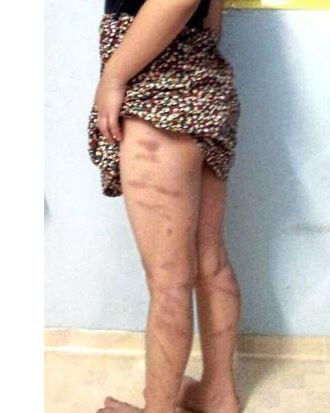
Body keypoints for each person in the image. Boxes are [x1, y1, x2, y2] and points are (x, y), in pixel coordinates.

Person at [87, 1, 242, 412]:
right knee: (209, 262)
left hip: (157, 93)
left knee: (169, 281)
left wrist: (114, 76)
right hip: (203, 87)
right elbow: (210, 19)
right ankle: (217, 395)